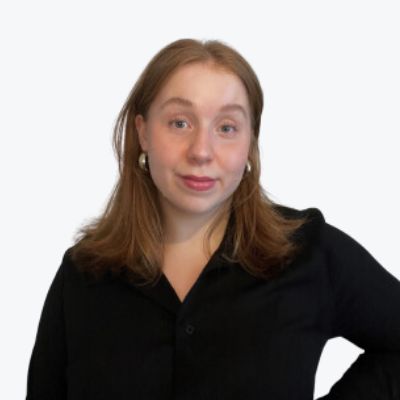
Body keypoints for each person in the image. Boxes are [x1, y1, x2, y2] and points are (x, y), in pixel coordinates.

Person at [25, 38, 400, 399]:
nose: (202, 151)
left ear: (250, 143)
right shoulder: (83, 274)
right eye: (180, 123)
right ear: (143, 132)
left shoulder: (311, 254)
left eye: (227, 128)